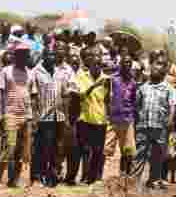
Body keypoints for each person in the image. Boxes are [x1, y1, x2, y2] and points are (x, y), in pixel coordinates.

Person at [0, 41, 36, 187]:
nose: (23, 57)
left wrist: (33, 116)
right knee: (9, 148)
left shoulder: (30, 73)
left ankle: (15, 180)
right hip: (10, 114)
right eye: (20, 54)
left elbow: (33, 95)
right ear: (15, 56)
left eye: (26, 54)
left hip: (26, 115)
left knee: (23, 151)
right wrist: (0, 113)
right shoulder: (5, 71)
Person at [31, 45, 73, 187]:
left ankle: (53, 174)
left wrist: (66, 117)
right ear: (43, 57)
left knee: (57, 147)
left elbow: (65, 95)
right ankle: (41, 175)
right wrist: (35, 117)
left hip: (59, 116)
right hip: (44, 117)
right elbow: (34, 97)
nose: (52, 58)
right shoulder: (36, 71)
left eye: (53, 55)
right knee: (45, 147)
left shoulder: (60, 72)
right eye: (49, 55)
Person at [135, 60, 176, 191]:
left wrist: (170, 120)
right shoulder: (143, 87)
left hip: (160, 127)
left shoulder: (168, 88)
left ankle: (153, 180)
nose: (154, 72)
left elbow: (173, 105)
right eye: (152, 69)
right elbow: (137, 105)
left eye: (157, 70)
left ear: (163, 73)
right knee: (139, 153)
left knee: (157, 155)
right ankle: (135, 181)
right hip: (143, 126)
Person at [68, 47, 110, 185]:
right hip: (84, 119)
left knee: (97, 151)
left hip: (100, 120)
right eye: (94, 64)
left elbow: (108, 99)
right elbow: (80, 96)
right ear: (90, 65)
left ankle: (91, 179)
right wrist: (94, 85)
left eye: (99, 65)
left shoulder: (106, 79)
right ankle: (72, 178)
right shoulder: (81, 77)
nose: (97, 67)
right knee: (80, 150)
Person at [106, 52, 137, 178]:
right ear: (120, 64)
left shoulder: (133, 83)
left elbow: (134, 101)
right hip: (112, 119)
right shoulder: (112, 79)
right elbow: (106, 96)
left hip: (127, 119)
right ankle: (99, 177)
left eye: (129, 62)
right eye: (125, 62)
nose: (127, 64)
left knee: (128, 151)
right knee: (106, 150)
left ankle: (124, 176)